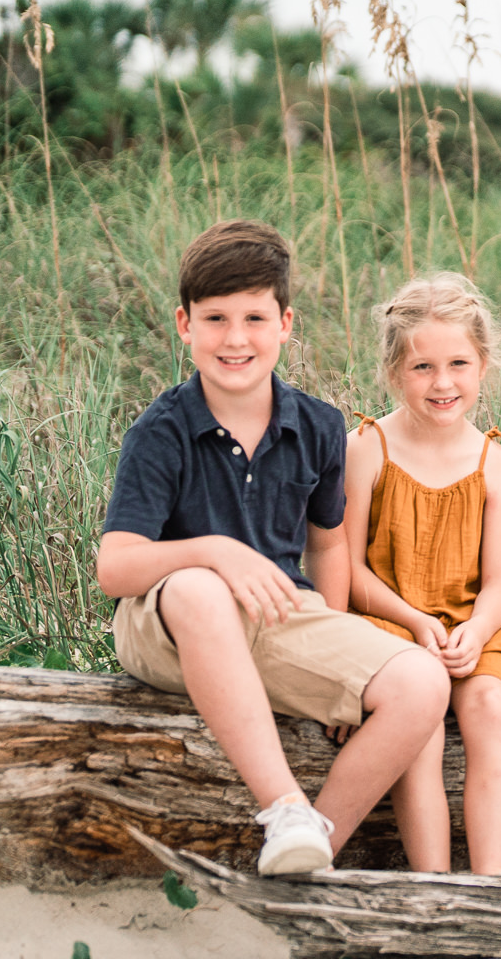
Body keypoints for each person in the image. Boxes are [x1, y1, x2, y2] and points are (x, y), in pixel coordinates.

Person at [97, 220, 450, 876]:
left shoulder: (318, 425)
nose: (236, 339)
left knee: (420, 680)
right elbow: (116, 568)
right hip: (170, 624)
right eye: (216, 319)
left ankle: (312, 850)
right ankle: (285, 806)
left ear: (285, 323)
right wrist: (215, 553)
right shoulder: (163, 429)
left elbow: (326, 551)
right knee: (202, 586)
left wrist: (345, 670)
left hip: (278, 619)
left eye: (255, 318)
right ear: (185, 324)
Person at [342, 274, 501, 875]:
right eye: (422, 367)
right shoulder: (367, 449)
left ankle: (490, 877)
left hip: (470, 627)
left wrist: (477, 632)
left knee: (488, 706)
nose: (443, 382)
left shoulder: (496, 463)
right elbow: (348, 568)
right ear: (393, 373)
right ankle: (432, 880)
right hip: (391, 624)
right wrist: (413, 621)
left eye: (458, 363)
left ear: (483, 365)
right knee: (422, 723)